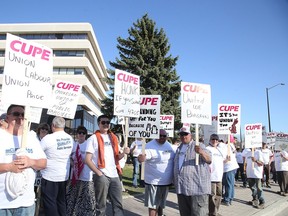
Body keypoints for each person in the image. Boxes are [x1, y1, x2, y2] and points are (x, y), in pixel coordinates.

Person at [0, 104, 47, 215]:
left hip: (26, 204)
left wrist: (31, 162)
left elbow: (44, 163)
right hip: (2, 204)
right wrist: (9, 167)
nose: (20, 117)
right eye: (16, 114)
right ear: (7, 117)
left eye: (23, 114)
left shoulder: (31, 137)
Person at [85, 114, 130, 216]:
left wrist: (124, 153)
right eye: (103, 122)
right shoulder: (93, 138)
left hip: (114, 175)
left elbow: (117, 157)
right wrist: (99, 173)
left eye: (107, 122)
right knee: (101, 206)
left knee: (118, 204)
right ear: (98, 124)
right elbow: (87, 160)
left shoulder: (113, 138)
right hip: (102, 175)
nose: (106, 124)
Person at [40, 116, 75, 216]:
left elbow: (38, 152)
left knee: (50, 203)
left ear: (53, 126)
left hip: (49, 175)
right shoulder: (70, 138)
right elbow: (73, 153)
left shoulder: (48, 138)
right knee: (61, 201)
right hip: (64, 175)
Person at [173, 127, 211, 216]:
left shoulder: (199, 145)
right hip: (182, 188)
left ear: (190, 135)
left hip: (197, 189)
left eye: (185, 134)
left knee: (198, 214)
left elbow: (209, 160)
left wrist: (201, 152)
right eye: (181, 134)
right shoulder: (179, 148)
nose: (183, 136)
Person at [138, 129, 175, 216]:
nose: (162, 137)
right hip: (153, 182)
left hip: (166, 182)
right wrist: (141, 158)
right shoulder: (149, 146)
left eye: (164, 136)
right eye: (160, 136)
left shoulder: (169, 146)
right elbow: (141, 157)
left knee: (161, 205)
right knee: (153, 206)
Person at [66, 125, 96, 216]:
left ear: (86, 135)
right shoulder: (73, 144)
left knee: (86, 199)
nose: (81, 134)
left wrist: (84, 161)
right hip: (75, 176)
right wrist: (73, 163)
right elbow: (69, 157)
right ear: (77, 134)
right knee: (73, 197)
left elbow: (93, 159)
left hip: (86, 176)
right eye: (79, 132)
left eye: (83, 133)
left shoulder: (88, 144)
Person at [206, 134, 227, 216]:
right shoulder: (207, 149)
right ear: (210, 140)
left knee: (219, 195)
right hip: (211, 176)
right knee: (212, 195)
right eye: (213, 139)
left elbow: (222, 161)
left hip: (219, 176)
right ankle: (212, 212)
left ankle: (216, 211)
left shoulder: (220, 150)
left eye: (216, 139)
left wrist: (226, 160)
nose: (214, 141)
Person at [221, 137, 239, 206]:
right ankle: (230, 198)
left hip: (229, 167)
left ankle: (227, 199)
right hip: (231, 167)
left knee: (228, 184)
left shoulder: (226, 146)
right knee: (230, 184)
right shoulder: (230, 146)